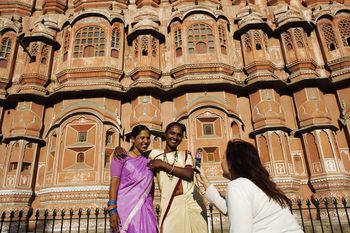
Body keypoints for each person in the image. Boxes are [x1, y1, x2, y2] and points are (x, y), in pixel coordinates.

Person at [114, 122, 208, 233]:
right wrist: (119, 148)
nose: (175, 137)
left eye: (179, 135)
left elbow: (188, 174)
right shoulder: (154, 154)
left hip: (191, 201)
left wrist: (163, 165)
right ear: (165, 134)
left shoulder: (185, 154)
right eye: (172, 133)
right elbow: (135, 153)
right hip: (170, 204)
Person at [196, 139, 304, 233]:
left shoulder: (238, 185)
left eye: (223, 158)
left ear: (231, 162)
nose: (221, 161)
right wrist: (205, 182)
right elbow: (232, 210)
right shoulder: (256, 184)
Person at [108, 125, 158, 233]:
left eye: (148, 138)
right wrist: (112, 209)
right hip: (125, 210)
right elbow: (114, 181)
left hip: (146, 209)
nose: (146, 141)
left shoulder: (150, 162)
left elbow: (151, 187)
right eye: (142, 138)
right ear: (133, 139)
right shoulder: (121, 157)